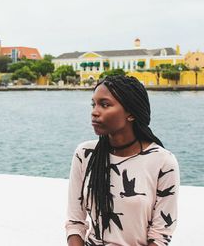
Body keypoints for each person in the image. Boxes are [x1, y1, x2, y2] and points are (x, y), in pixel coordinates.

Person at [66, 75, 180, 246]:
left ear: (131, 113)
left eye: (104, 105)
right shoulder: (85, 154)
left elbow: (160, 235)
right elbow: (75, 223)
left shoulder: (163, 162)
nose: (94, 111)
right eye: (93, 104)